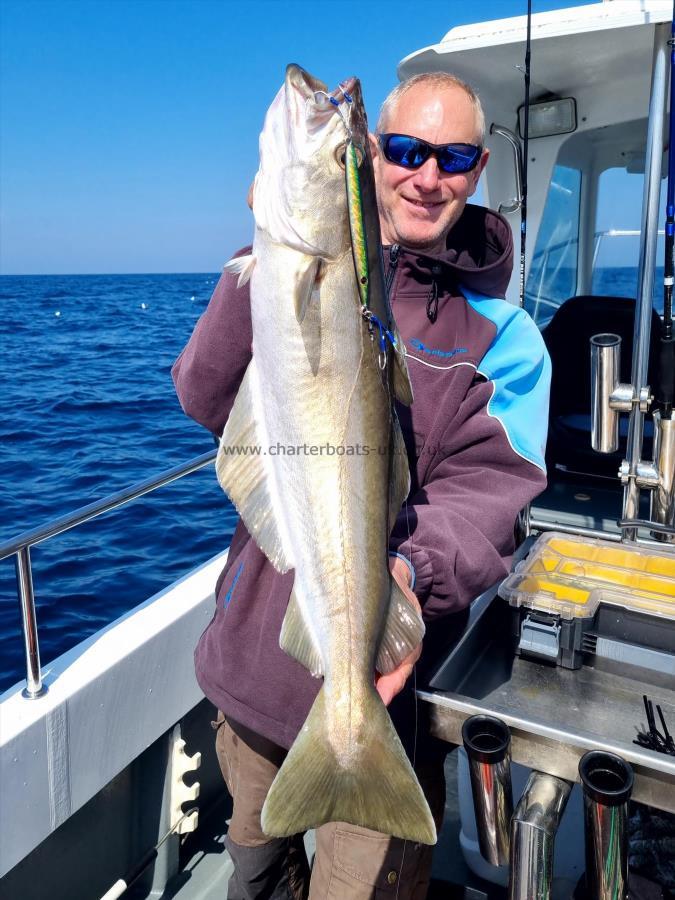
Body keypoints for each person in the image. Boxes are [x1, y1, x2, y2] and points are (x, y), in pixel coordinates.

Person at [172, 72, 551, 900]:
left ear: (477, 169)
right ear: (374, 156)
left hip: (383, 698)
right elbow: (204, 398)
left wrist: (406, 575)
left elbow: (487, 502)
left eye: (450, 158)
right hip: (251, 675)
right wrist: (260, 260)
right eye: (407, 150)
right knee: (255, 871)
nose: (426, 176)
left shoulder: (506, 339)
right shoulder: (272, 268)